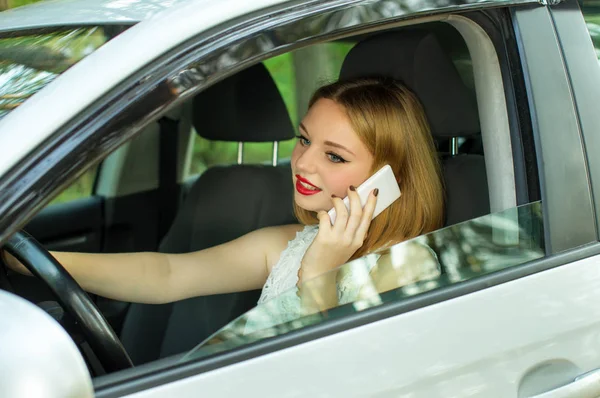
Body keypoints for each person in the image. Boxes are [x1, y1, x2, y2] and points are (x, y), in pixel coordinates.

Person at [3, 76, 445, 322]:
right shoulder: (289, 241)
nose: (303, 163)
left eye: (333, 155)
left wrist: (319, 273)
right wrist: (34, 260)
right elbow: (169, 275)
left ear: (389, 177)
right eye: (303, 140)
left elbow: (330, 378)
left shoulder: (407, 267)